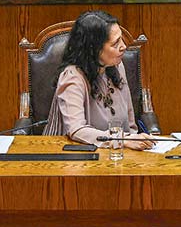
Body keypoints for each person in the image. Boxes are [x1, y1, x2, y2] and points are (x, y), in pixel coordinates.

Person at [43, 11, 154, 150]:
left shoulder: (117, 66)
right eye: (115, 43)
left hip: (117, 155)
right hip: (72, 157)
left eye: (121, 39)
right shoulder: (72, 76)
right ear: (94, 49)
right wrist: (121, 140)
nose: (124, 46)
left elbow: (130, 122)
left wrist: (136, 141)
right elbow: (76, 130)